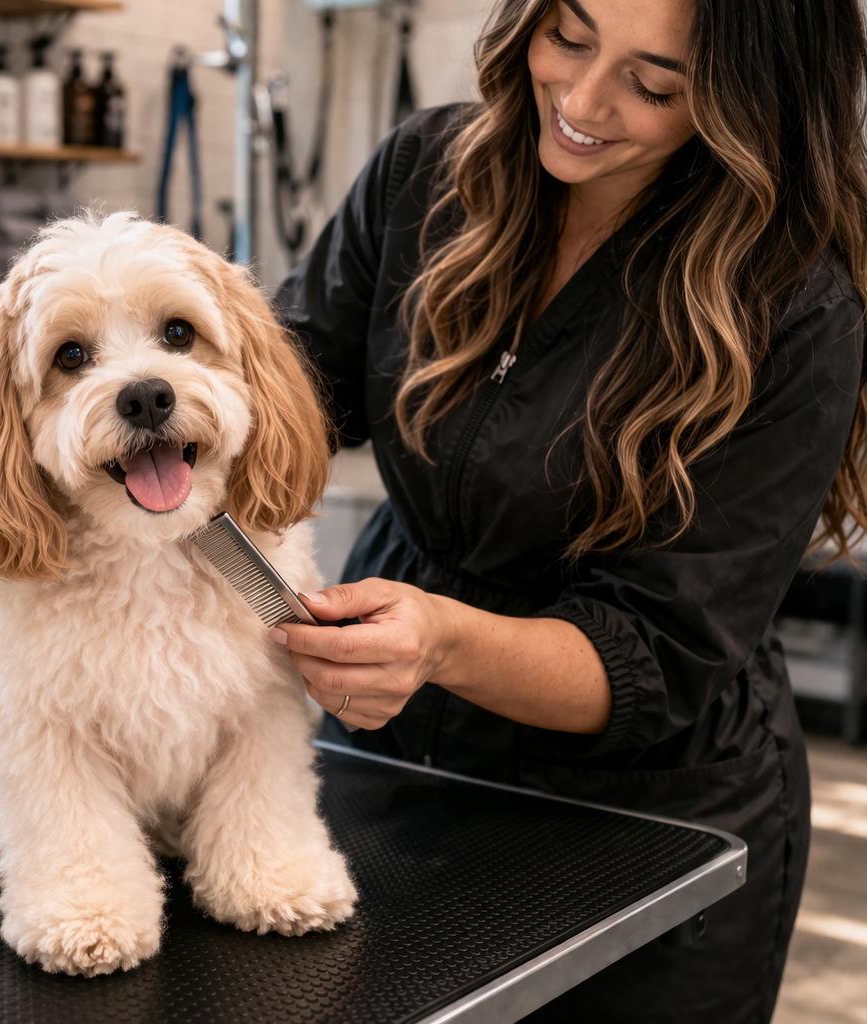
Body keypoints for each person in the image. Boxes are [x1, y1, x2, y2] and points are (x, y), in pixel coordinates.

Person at [275, 0, 867, 1019]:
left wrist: (441, 640)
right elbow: (288, 397)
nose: (584, 103)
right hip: (395, 753)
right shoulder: (425, 174)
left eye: (654, 85)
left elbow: (657, 652)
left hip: (642, 811)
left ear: (744, 103)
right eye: (570, 38)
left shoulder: (791, 300)